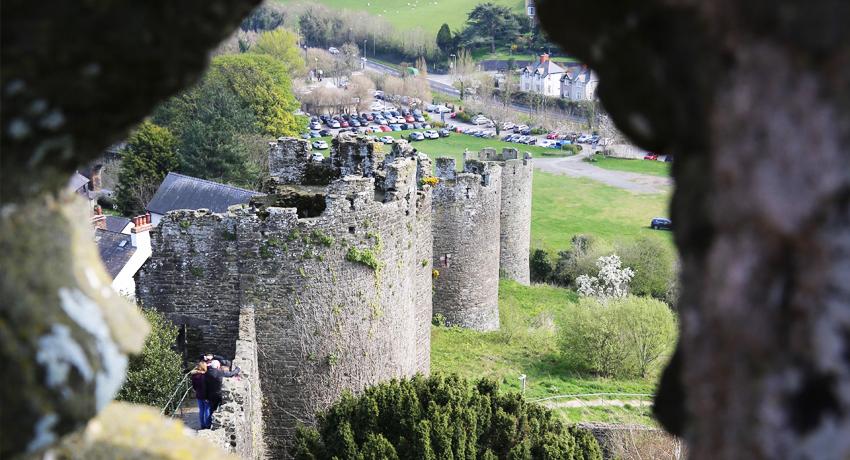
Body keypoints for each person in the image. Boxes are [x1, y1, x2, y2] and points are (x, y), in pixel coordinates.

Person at [190, 361, 211, 429]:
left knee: (201, 410)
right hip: (206, 395)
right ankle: (207, 425)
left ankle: (202, 425)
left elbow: (194, 387)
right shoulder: (205, 376)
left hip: (199, 394)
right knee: (207, 410)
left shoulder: (194, 376)